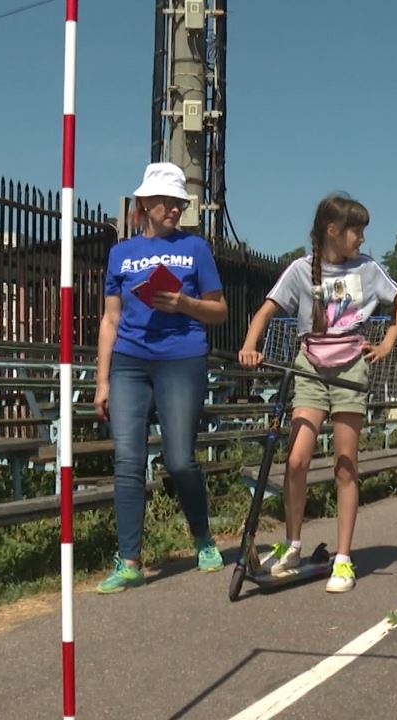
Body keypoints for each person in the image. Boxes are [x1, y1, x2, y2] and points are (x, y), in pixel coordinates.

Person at [237, 193, 397, 593]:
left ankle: (345, 558)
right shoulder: (300, 270)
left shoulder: (367, 269)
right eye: (356, 232)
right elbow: (265, 311)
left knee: (345, 464)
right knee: (296, 460)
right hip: (310, 368)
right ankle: (293, 543)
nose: (362, 240)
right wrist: (250, 345)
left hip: (350, 367)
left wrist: (388, 341)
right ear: (332, 231)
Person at [93, 162, 229, 593]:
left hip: (182, 359)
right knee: (128, 461)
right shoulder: (120, 254)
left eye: (179, 203)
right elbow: (110, 320)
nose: (173, 209)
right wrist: (102, 380)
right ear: (145, 204)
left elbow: (220, 310)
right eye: (166, 202)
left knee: (179, 460)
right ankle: (129, 558)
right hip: (130, 362)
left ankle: (203, 537)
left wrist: (184, 304)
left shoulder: (196, 248)